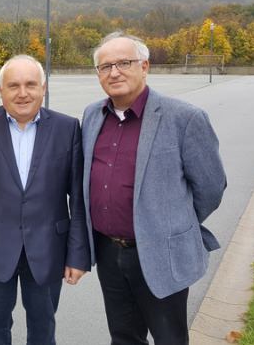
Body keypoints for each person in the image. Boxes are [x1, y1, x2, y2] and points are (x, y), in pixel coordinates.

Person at [81, 31, 227, 345]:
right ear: (98, 74)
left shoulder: (184, 118)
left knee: (169, 338)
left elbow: (211, 188)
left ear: (144, 66)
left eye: (124, 63)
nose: (114, 72)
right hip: (109, 253)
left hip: (162, 252)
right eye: (105, 66)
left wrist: (170, 222)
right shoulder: (92, 116)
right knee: (123, 337)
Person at [0, 54, 91, 345]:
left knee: (44, 326)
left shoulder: (68, 128)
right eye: (13, 86)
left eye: (30, 84)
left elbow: (78, 199)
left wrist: (78, 255)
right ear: (1, 90)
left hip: (48, 250)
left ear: (43, 87)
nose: (23, 93)